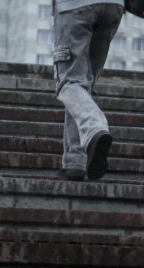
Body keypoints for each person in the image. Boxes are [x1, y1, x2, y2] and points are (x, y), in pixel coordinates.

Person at [52, 0, 125, 181]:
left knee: (69, 82)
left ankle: (94, 129)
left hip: (74, 7)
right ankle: (75, 161)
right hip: (112, 7)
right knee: (84, 84)